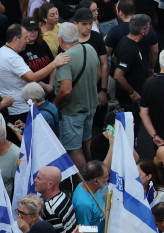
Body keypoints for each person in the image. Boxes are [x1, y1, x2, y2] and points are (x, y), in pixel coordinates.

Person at [54, 22, 101, 165]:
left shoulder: (65, 59)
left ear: (60, 40)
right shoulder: (90, 48)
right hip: (91, 106)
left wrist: (54, 105)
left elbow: (65, 89)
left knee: (74, 149)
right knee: (87, 141)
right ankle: (95, 176)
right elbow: (98, 72)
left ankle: (84, 184)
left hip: (72, 111)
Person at [34, 166, 76, 233]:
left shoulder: (49, 209)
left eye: (39, 178)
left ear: (50, 184)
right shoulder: (63, 196)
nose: (35, 180)